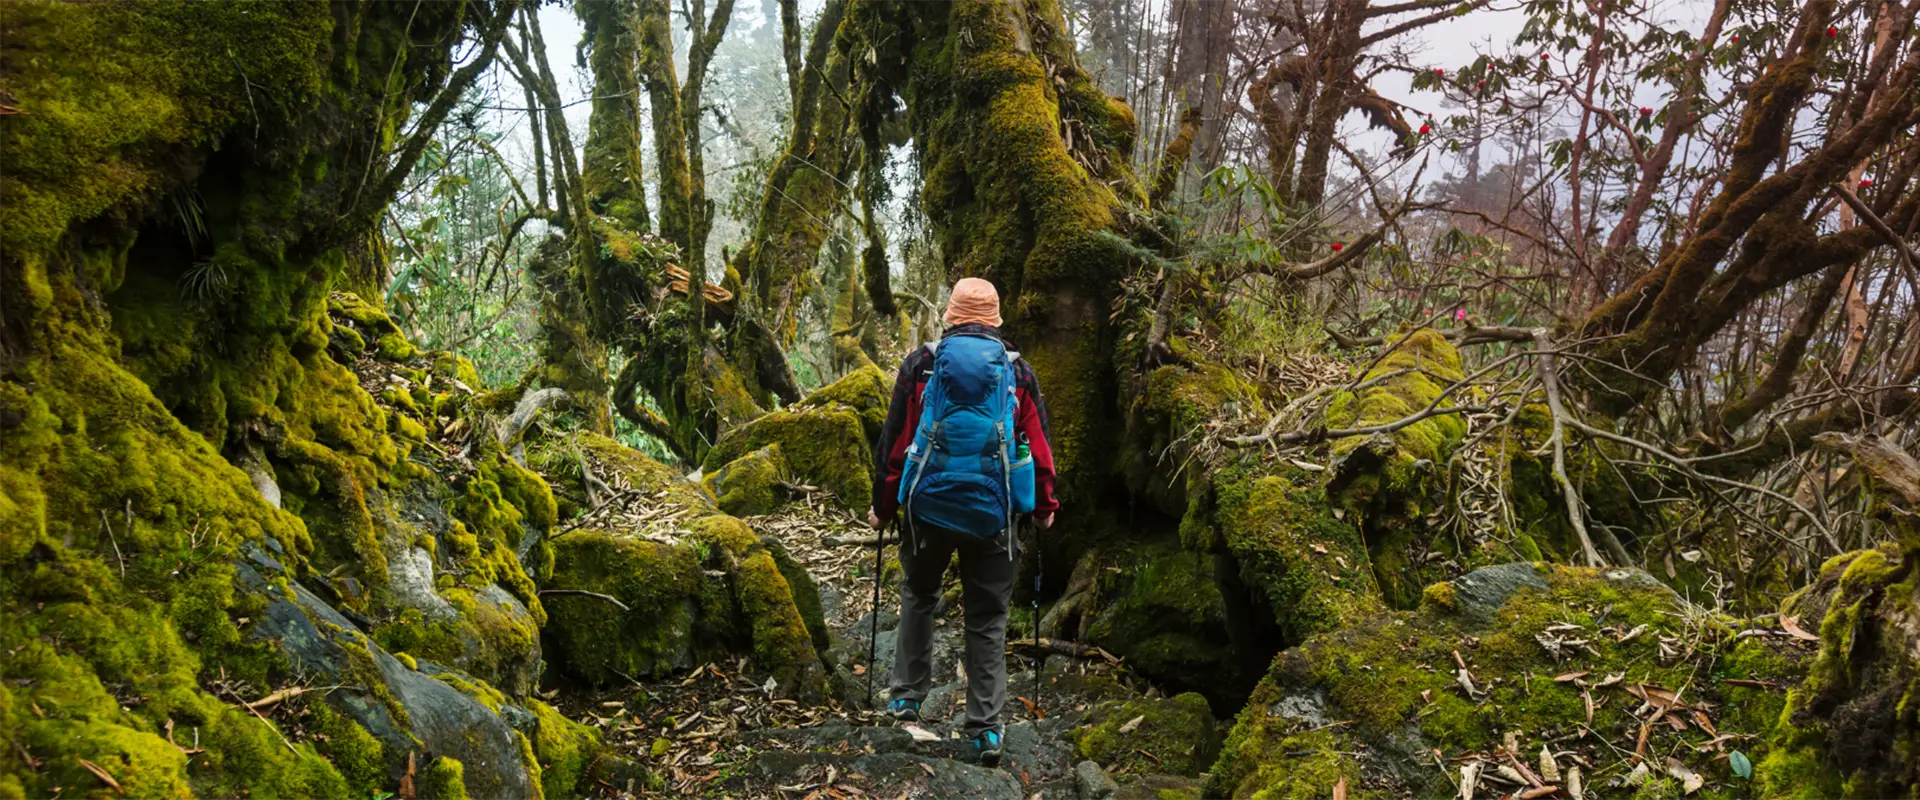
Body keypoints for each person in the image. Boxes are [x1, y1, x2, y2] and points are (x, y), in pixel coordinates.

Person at [868, 277, 1059, 768]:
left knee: (919, 593)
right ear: (996, 320)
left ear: (949, 316)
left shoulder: (923, 365)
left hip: (927, 510)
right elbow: (1037, 447)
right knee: (988, 616)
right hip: (994, 514)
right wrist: (1044, 505)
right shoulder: (1017, 372)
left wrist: (884, 505)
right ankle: (985, 731)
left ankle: (906, 699)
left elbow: (896, 441)